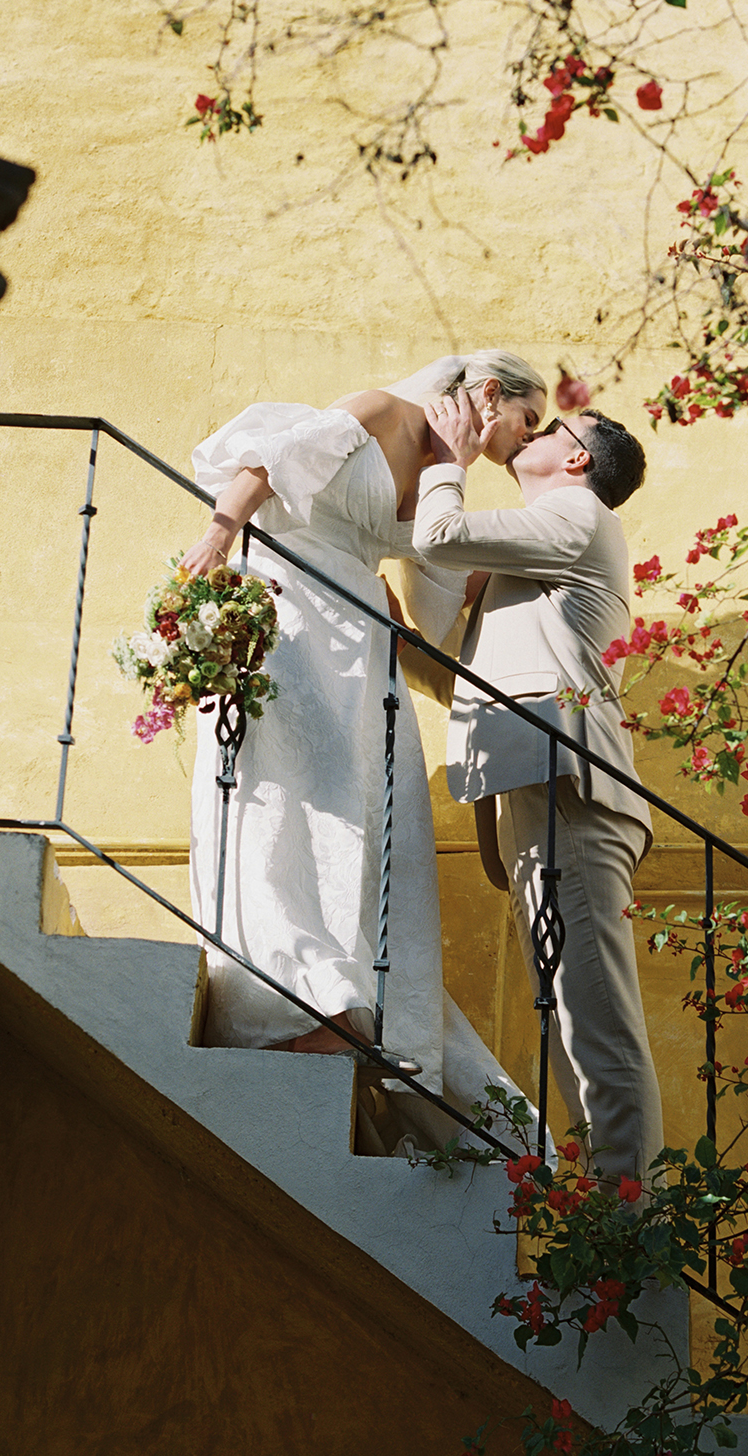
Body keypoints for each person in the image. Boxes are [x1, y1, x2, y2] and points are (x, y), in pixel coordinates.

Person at [178, 352, 546, 1143]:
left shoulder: (449, 469)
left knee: (364, 809)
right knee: (283, 793)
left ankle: (347, 998)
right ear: (489, 395)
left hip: (359, 645)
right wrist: (217, 534)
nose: (528, 437)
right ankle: (286, 996)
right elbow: (273, 461)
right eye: (527, 418)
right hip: (291, 607)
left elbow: (437, 606)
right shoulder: (383, 410)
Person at [410, 392, 663, 1182]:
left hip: (573, 794)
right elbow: (471, 684)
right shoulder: (537, 561)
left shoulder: (580, 516)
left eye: (554, 427)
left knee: (596, 1029)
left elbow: (440, 531)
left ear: (578, 459)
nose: (538, 430)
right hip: (543, 788)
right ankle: (611, 1218)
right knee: (571, 1028)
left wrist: (450, 459)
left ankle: (635, 1241)